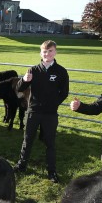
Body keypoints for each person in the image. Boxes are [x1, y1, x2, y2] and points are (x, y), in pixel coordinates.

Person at [14, 40, 69, 183]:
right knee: (28, 140)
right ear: (40, 53)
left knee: (50, 143)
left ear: (55, 52)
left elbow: (64, 93)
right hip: (33, 112)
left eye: (50, 51)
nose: (47, 54)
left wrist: (53, 104)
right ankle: (21, 165)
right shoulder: (33, 70)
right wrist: (24, 80)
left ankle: (52, 171)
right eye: (44, 51)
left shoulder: (61, 72)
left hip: (50, 114)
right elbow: (19, 89)